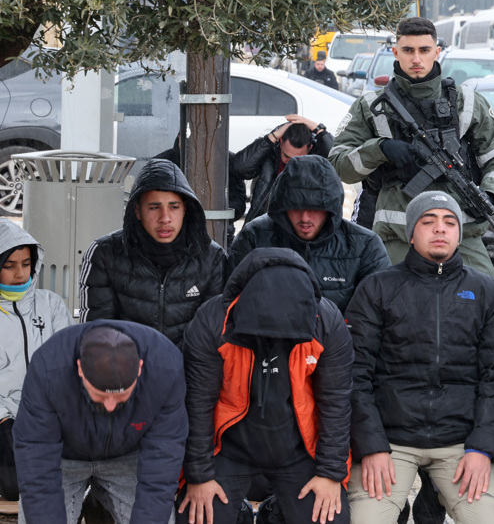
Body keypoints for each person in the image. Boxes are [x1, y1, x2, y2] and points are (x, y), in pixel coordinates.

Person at [345, 191, 494, 523]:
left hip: (460, 444)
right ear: (410, 233)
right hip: (390, 442)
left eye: (449, 222)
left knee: (491, 519)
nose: (440, 229)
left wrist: (483, 448)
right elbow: (354, 375)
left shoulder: (487, 292)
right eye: (428, 221)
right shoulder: (377, 288)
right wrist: (371, 445)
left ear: (459, 233)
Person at [329, 17, 494, 277]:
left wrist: (492, 194)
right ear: (395, 52)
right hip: (397, 238)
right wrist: (380, 149)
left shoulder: (467, 102)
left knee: (488, 307)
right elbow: (338, 165)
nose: (416, 59)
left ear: (437, 52)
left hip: (462, 236)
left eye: (424, 50)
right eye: (408, 50)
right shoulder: (370, 106)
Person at [179, 248, 354, 524]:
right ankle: (242, 512)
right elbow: (198, 403)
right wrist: (199, 475)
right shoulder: (214, 321)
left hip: (298, 450)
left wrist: (330, 474)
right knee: (197, 517)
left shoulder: (326, 322)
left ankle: (274, 511)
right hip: (227, 449)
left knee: (329, 518)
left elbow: (336, 402)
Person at [14, 320, 188, 523]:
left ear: (140, 368)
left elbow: (163, 457)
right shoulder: (48, 368)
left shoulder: (165, 368)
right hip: (64, 457)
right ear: (80, 369)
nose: (111, 406)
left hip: (129, 456)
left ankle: (97, 503)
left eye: (121, 396)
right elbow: (37, 455)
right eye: (101, 395)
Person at [79, 159, 227, 346]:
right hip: (129, 369)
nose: (165, 218)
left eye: (174, 207)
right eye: (154, 207)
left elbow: (214, 340)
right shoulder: (105, 254)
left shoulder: (212, 258)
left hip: (188, 371)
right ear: (137, 211)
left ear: (185, 210)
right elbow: (97, 335)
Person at [230, 154, 390, 313]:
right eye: (296, 208)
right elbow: (232, 304)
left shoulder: (365, 246)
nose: (305, 218)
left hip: (338, 337)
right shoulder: (254, 237)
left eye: (315, 209)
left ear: (331, 208)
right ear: (283, 207)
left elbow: (375, 316)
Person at [0, 220, 74, 502]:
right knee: (14, 488)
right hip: (7, 418)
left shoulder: (50, 304)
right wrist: (3, 419)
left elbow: (71, 362)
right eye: (9, 265)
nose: (20, 274)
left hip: (51, 415)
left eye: (26, 263)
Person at [232, 114, 336, 224]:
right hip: (266, 226)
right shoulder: (269, 153)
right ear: (281, 143)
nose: (291, 162)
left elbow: (338, 160)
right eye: (286, 156)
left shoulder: (317, 159)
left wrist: (319, 129)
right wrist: (272, 137)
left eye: (297, 158)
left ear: (309, 149)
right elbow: (239, 168)